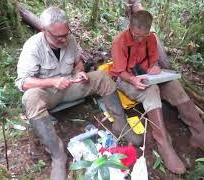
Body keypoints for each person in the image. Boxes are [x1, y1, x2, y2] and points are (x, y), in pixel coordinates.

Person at [15, 7, 142, 180]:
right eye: (57, 36)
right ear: (44, 30)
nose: (63, 39)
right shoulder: (33, 46)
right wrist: (52, 81)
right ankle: (58, 155)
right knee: (30, 98)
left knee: (102, 77)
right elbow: (23, 82)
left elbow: (78, 63)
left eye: (65, 34)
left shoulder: (70, 40)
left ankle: (120, 124)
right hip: (48, 93)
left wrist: (79, 72)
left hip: (70, 86)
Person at [110, 10, 204, 174]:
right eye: (136, 35)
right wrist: (134, 80)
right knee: (151, 91)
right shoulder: (119, 41)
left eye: (144, 35)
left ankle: (199, 135)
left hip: (148, 76)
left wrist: (155, 67)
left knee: (175, 86)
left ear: (149, 30)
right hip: (127, 80)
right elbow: (121, 72)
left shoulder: (151, 38)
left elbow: (154, 60)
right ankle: (163, 143)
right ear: (130, 27)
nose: (140, 39)